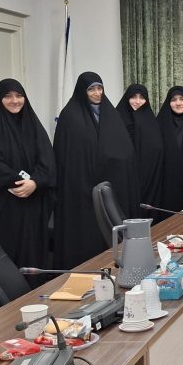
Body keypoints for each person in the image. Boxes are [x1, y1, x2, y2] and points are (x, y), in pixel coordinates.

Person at [0, 78, 56, 274]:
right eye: (8, 96)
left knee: (33, 258)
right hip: (4, 208)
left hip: (32, 205)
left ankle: (36, 292)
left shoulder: (33, 125)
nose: (14, 101)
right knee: (5, 261)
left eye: (19, 95)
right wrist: (19, 182)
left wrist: (35, 182)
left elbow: (47, 159)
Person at [53, 72, 139, 268]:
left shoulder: (111, 114)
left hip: (111, 187)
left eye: (100, 88)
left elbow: (125, 150)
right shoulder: (70, 116)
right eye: (91, 89)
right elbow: (66, 155)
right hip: (81, 189)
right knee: (86, 240)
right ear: (82, 91)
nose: (97, 93)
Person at [115, 84, 163, 212]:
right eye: (133, 97)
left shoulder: (151, 121)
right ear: (127, 98)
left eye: (142, 97)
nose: (137, 101)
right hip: (125, 176)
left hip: (148, 178)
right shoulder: (116, 119)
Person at [156, 85, 183, 211]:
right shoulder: (159, 123)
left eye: (182, 99)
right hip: (167, 179)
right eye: (174, 100)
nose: (178, 103)